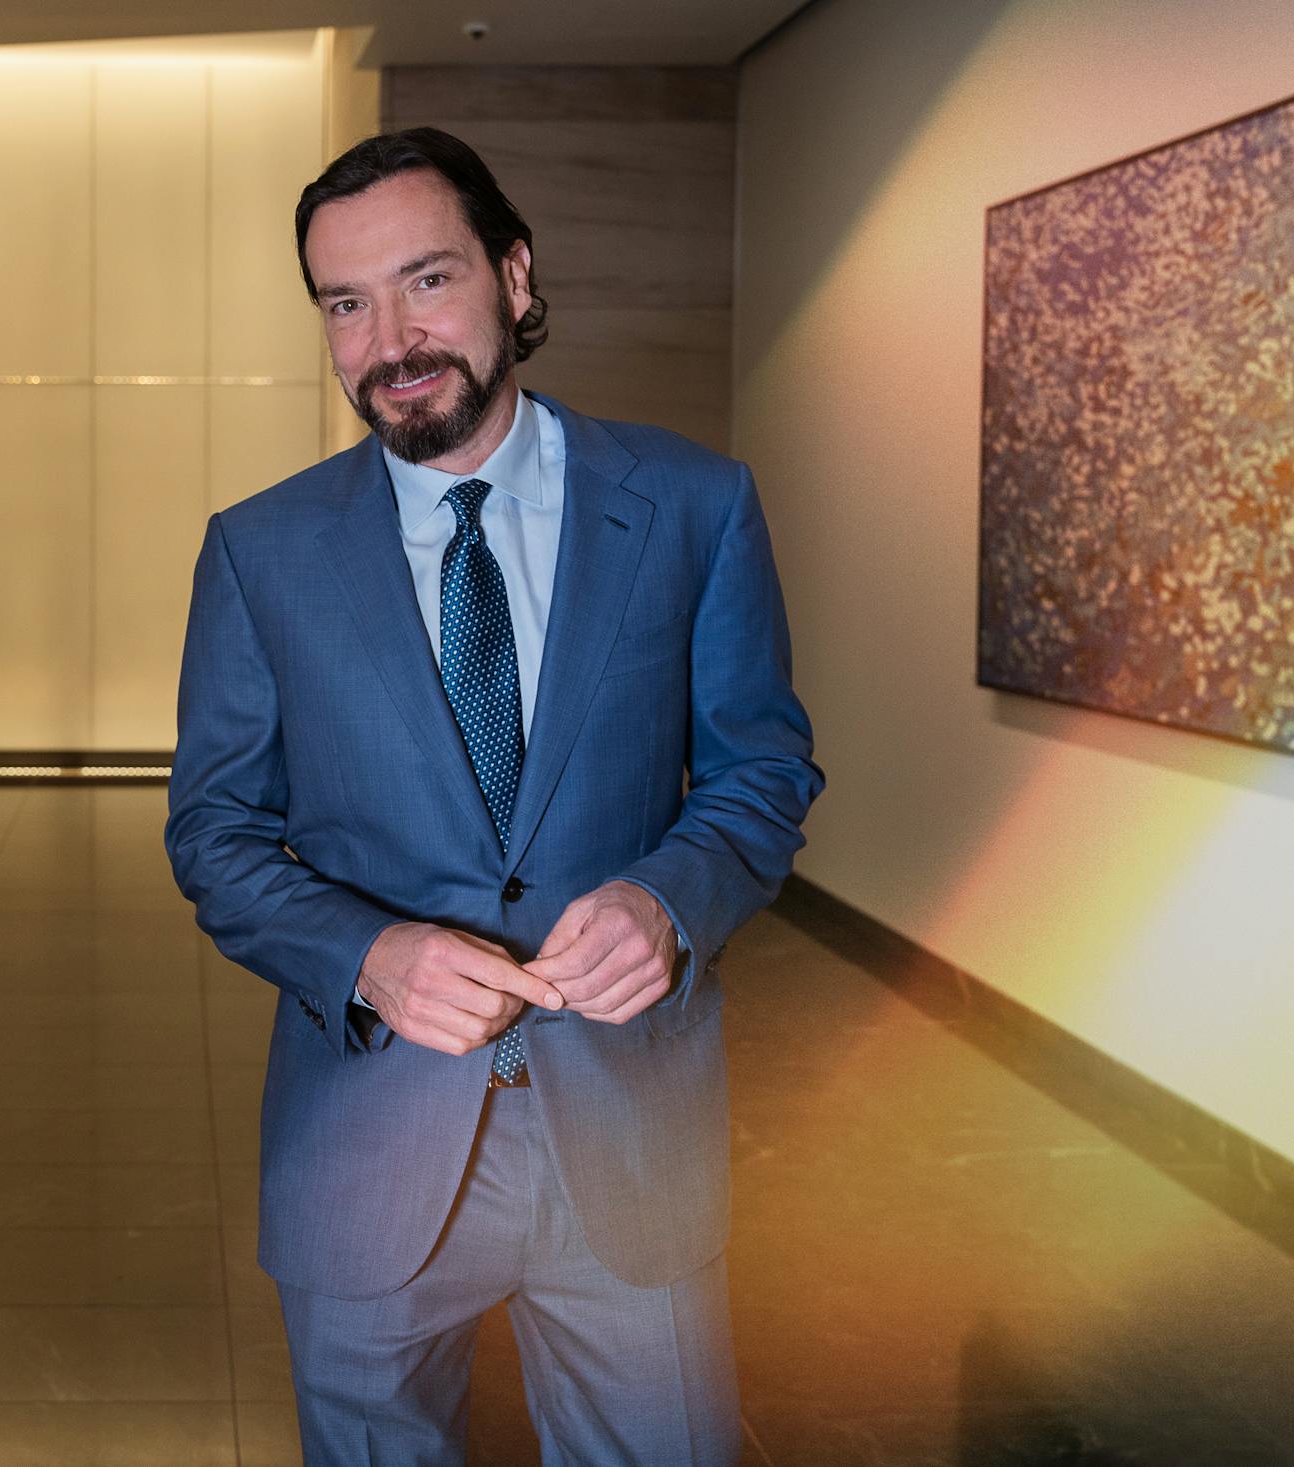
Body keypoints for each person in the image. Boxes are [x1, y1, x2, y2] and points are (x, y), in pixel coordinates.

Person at [166, 128, 822, 1465]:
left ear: (514, 277)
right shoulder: (259, 552)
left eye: (427, 280)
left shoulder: (693, 505)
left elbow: (761, 773)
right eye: (345, 304)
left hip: (630, 1135)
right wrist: (368, 954)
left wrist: (665, 904)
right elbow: (215, 835)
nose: (390, 339)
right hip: (368, 1142)